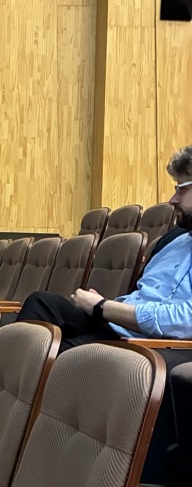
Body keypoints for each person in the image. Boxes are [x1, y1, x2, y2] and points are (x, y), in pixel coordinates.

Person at [15, 146, 192, 350]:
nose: (172, 200)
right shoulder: (171, 242)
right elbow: (140, 295)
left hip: (150, 342)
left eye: (181, 190)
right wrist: (104, 306)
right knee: (41, 303)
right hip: (117, 324)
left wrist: (102, 306)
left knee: (56, 353)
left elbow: (186, 320)